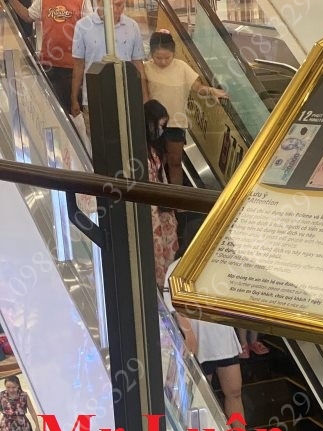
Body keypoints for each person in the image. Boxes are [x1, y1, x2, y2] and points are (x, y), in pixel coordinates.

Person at [163, 238, 246, 425]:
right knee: (201, 399)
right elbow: (174, 307)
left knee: (234, 391)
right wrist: (189, 335)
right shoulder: (178, 267)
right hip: (198, 344)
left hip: (224, 339)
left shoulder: (221, 265)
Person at [144, 30, 227, 185]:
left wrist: (211, 91)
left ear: (174, 53)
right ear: (151, 54)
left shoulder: (182, 67)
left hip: (176, 123)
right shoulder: (145, 68)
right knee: (155, 163)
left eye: (167, 58)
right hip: (153, 124)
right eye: (158, 58)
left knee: (175, 162)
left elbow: (197, 87)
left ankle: (177, 195)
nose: (163, 62)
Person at [70, 0, 148, 135]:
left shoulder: (132, 26)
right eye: (114, 5)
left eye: (121, 4)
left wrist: (145, 97)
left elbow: (138, 64)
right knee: (96, 140)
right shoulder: (83, 26)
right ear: (101, 2)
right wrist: (74, 98)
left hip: (126, 98)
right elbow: (78, 65)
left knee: (125, 139)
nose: (118, 9)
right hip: (94, 99)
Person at [9, 0, 92, 113]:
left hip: (73, 69)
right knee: (52, 111)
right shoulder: (42, 1)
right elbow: (28, 16)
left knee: (74, 111)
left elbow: (90, 27)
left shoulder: (82, 1)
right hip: (48, 67)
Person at [144, 99, 179, 288]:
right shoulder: (140, 149)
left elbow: (161, 175)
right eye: (159, 125)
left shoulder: (155, 147)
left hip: (159, 204)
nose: (160, 130)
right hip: (150, 207)